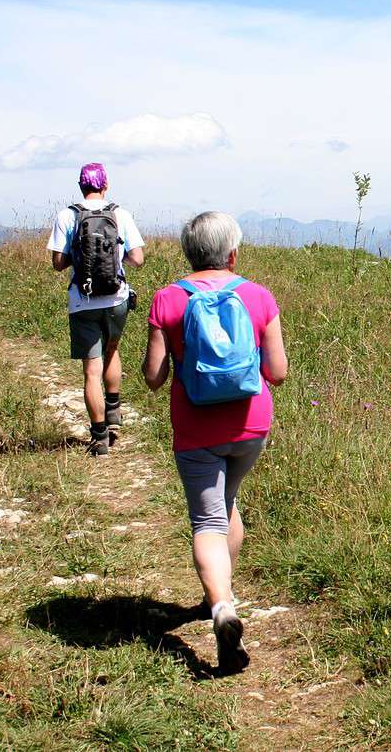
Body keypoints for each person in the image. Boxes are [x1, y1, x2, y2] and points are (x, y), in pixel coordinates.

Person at [141, 211, 288, 672]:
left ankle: (221, 605)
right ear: (233, 253)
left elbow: (152, 377)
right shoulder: (258, 296)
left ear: (187, 252)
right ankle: (222, 593)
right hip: (250, 426)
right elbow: (278, 373)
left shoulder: (168, 299)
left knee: (207, 518)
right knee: (228, 503)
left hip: (196, 428)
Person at [47, 163, 146, 456]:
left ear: (80, 185)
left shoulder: (67, 215)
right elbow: (138, 259)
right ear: (106, 184)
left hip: (82, 301)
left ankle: (99, 437)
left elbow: (57, 263)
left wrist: (79, 259)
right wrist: (116, 259)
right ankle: (114, 410)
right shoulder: (120, 214)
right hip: (116, 298)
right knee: (112, 350)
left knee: (91, 370)